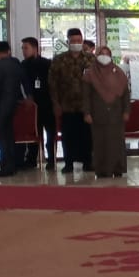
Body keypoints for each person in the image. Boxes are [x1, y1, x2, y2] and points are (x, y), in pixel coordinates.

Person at [50, 28, 95, 172]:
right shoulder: (59, 59)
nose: (76, 43)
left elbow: (97, 82)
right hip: (66, 105)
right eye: (73, 40)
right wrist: (56, 103)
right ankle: (68, 163)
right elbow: (52, 83)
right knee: (68, 136)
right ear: (68, 41)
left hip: (86, 106)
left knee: (86, 136)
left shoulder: (91, 59)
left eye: (79, 40)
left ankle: (87, 162)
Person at [82, 45, 131, 178]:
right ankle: (103, 170)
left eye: (107, 54)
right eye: (101, 54)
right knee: (100, 143)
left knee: (116, 142)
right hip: (98, 114)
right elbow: (85, 96)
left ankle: (118, 168)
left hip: (117, 113)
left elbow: (126, 95)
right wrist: (87, 113)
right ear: (96, 56)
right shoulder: (90, 74)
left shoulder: (119, 73)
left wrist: (126, 111)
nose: (104, 56)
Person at [0, 40, 24, 178]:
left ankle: (6, 167)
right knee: (9, 137)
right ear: (9, 50)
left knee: (2, 138)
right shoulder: (16, 64)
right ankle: (12, 166)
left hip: (0, 107)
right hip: (12, 105)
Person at [20, 36, 56, 169]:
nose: (24, 51)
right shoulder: (23, 65)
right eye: (22, 48)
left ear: (35, 48)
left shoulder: (47, 64)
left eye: (26, 48)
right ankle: (31, 159)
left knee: (50, 133)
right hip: (32, 104)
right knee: (34, 132)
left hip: (47, 103)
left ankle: (51, 159)